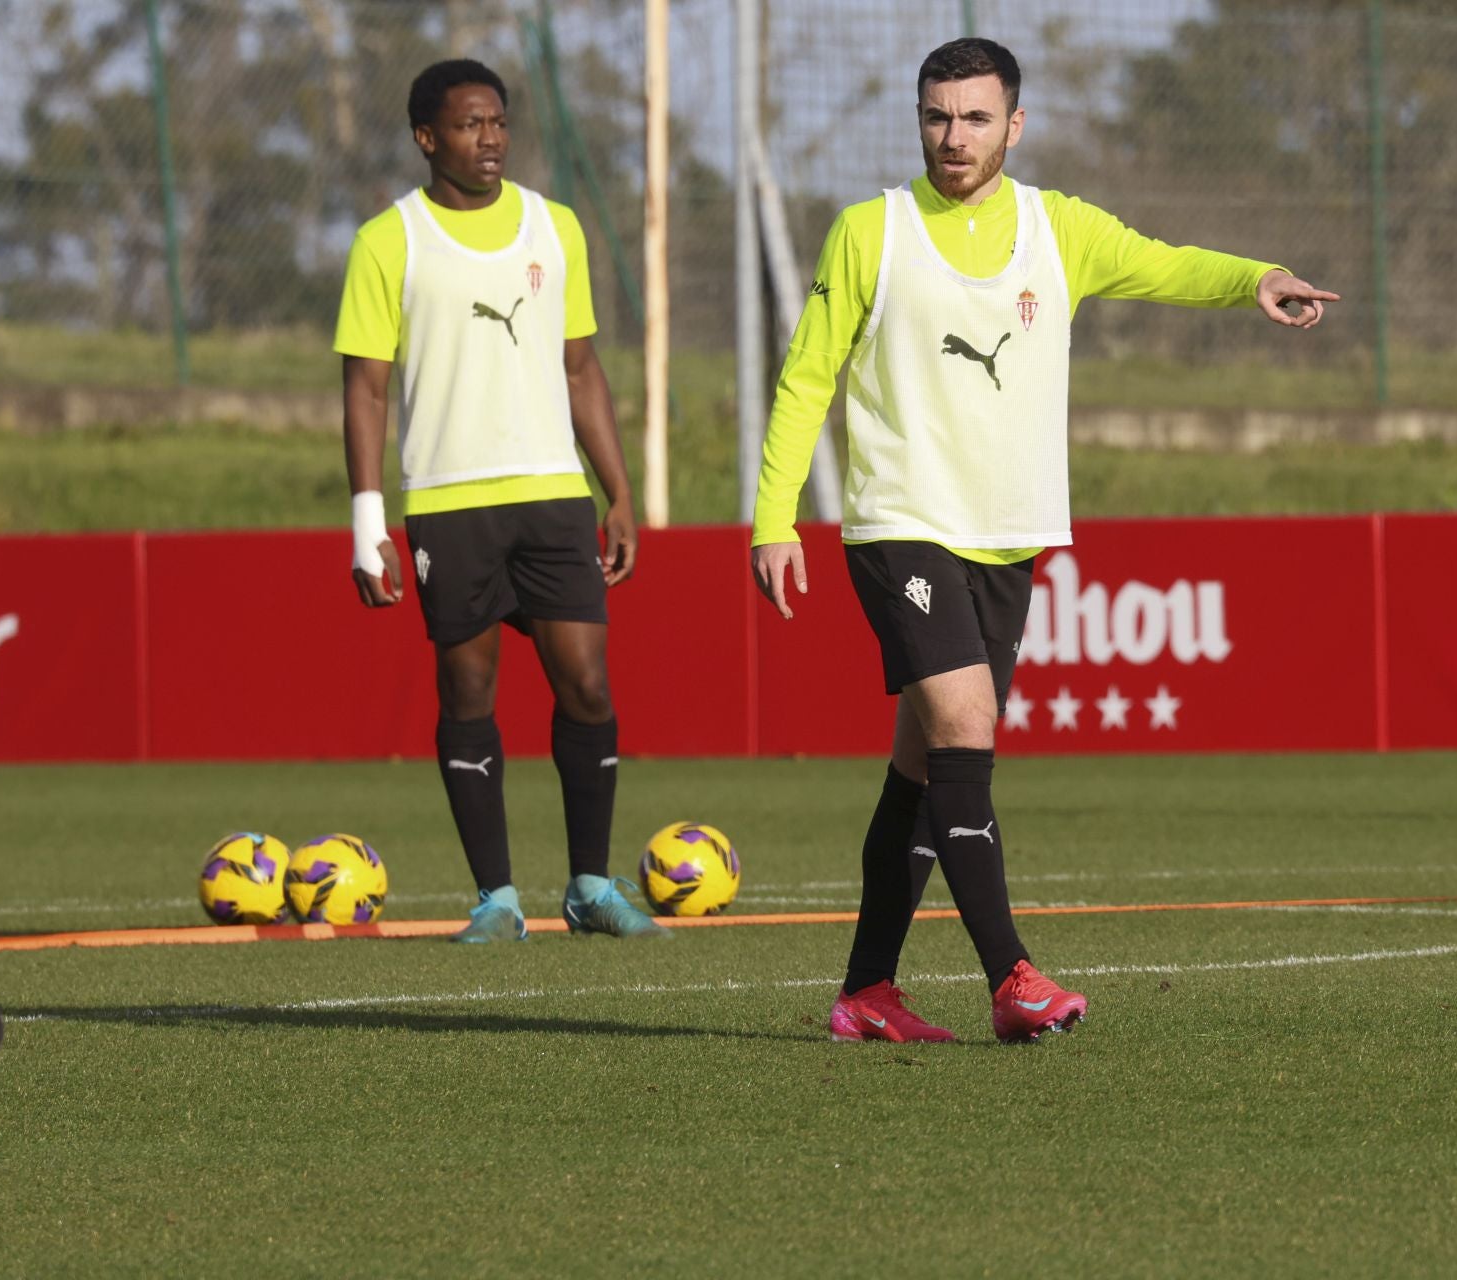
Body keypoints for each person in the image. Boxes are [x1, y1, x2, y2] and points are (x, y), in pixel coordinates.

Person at [748, 38, 1337, 1043]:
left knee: (926, 767)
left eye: (976, 118)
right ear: (918, 119)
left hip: (1006, 534)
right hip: (902, 524)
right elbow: (809, 375)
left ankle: (866, 990)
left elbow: (1164, 265)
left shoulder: (1057, 227)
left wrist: (1255, 279)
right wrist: (772, 519)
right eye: (937, 116)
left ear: (1014, 125)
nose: (953, 136)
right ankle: (1011, 976)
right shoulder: (869, 230)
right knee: (967, 726)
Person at [335, 59, 662, 943]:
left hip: (553, 495)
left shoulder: (555, 229)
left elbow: (581, 367)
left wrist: (619, 492)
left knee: (587, 685)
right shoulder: (387, 240)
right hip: (448, 502)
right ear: (426, 137)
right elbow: (365, 390)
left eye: (499, 123)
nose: (491, 140)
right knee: (468, 687)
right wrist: (371, 525)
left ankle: (591, 886)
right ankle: (496, 900)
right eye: (470, 125)